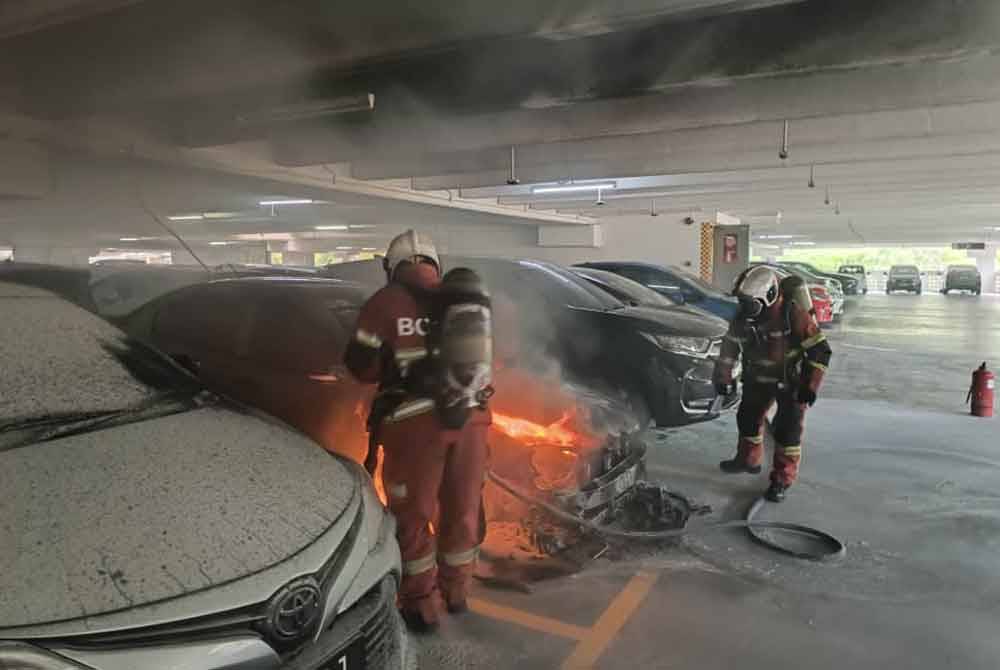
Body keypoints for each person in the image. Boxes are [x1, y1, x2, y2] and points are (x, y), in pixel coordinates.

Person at [344, 229, 491, 633]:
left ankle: (420, 603)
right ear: (434, 264)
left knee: (411, 513)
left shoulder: (386, 301)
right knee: (462, 507)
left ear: (391, 266)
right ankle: (458, 591)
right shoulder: (463, 301)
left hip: (415, 425)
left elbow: (362, 367)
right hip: (473, 418)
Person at [713, 265, 833, 502]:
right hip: (757, 378)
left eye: (751, 303)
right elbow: (729, 349)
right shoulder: (744, 317)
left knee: (788, 432)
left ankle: (781, 480)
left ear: (768, 296)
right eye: (744, 302)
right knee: (747, 419)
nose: (746, 308)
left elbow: (820, 351)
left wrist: (810, 386)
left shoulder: (794, 315)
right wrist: (723, 378)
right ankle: (748, 460)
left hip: (790, 382)